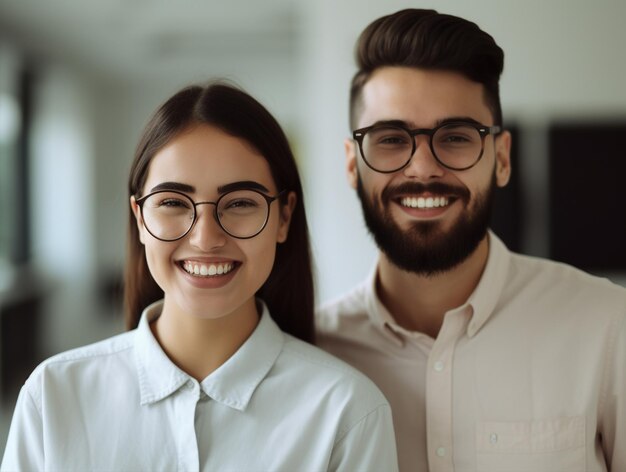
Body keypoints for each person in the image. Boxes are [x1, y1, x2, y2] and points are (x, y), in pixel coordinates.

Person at [1, 82, 398, 471]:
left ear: (284, 217)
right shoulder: (53, 397)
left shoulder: (347, 412)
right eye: (173, 202)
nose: (206, 238)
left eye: (241, 202)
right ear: (140, 218)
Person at [316, 8, 626, 472]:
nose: (422, 168)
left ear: (501, 158)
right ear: (351, 163)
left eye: (456, 137)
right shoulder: (318, 352)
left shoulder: (607, 327)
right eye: (391, 139)